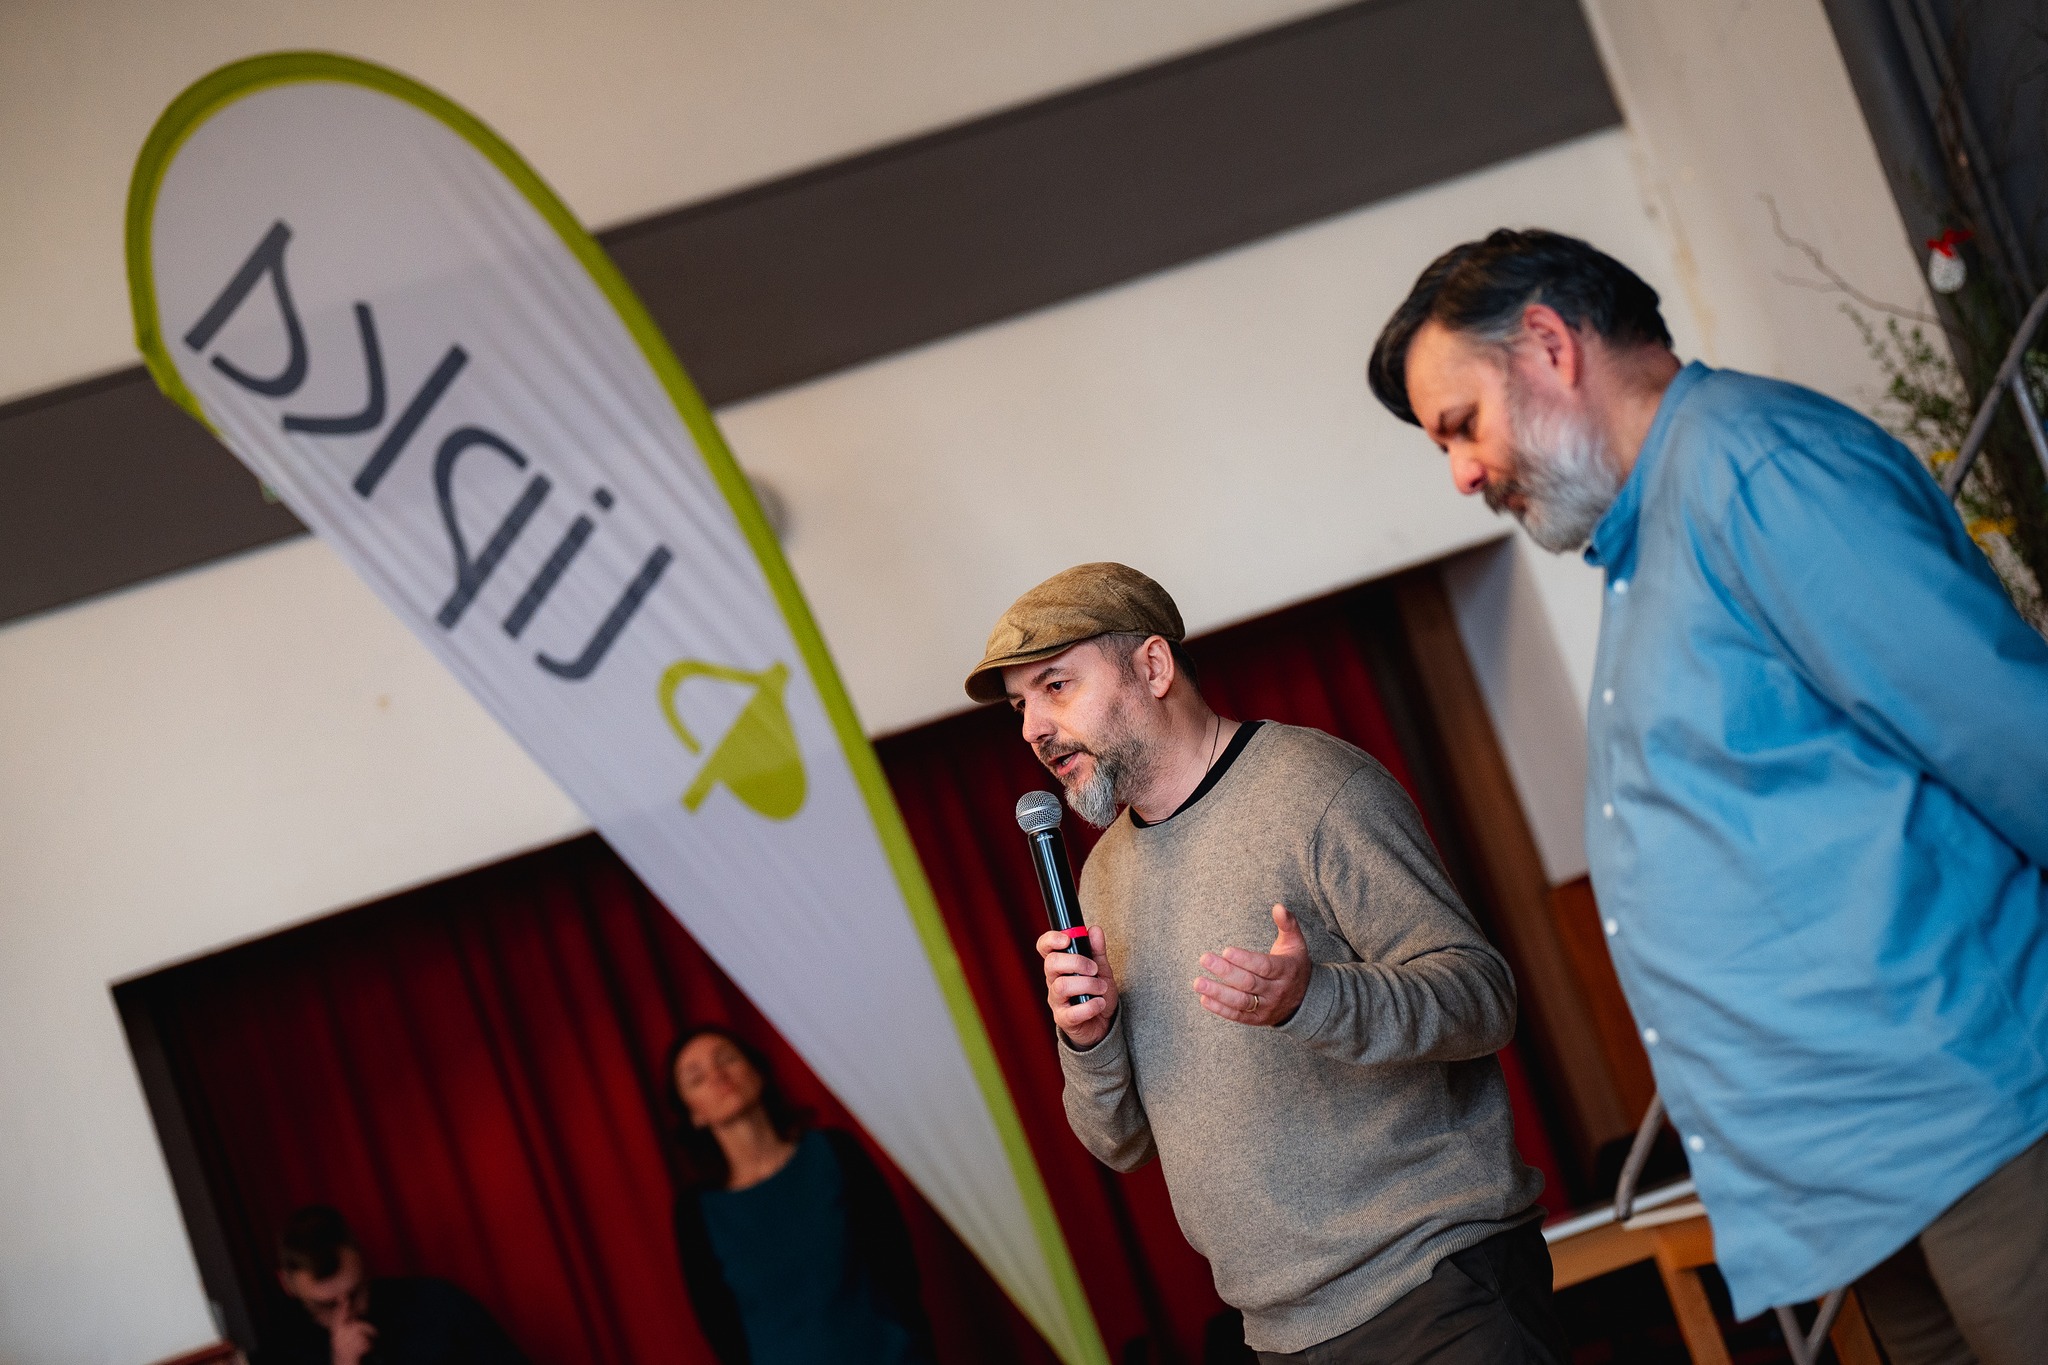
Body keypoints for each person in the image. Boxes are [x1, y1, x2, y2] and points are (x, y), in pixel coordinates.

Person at [1367, 228, 2048, 1363]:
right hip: (1864, 1177)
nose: (1463, 474)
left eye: (1461, 424)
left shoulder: (1756, 469)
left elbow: (2007, 733)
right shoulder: (1652, 531)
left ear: (1548, 345)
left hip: (1977, 1119)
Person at [965, 562, 1566, 1364]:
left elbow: (1484, 997)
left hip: (1436, 1288)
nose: (1035, 728)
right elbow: (1120, 1143)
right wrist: (1089, 1040)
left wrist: (1315, 998)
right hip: (1280, 1332)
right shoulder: (1101, 877)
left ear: (1153, 667)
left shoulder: (1316, 788)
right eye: (1021, 707)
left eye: (1056, 686)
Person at [665, 1025, 936, 1365]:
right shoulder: (697, 1213)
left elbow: (897, 1265)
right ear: (694, 1114)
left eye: (727, 1059)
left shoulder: (835, 1152)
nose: (718, 1075)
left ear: (758, 1072)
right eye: (697, 1078)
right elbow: (722, 1330)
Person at [264, 1205, 528, 1365]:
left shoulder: (435, 1304)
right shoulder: (280, 1354)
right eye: (326, 1306)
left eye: (355, 1293)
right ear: (287, 1284)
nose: (347, 1312)